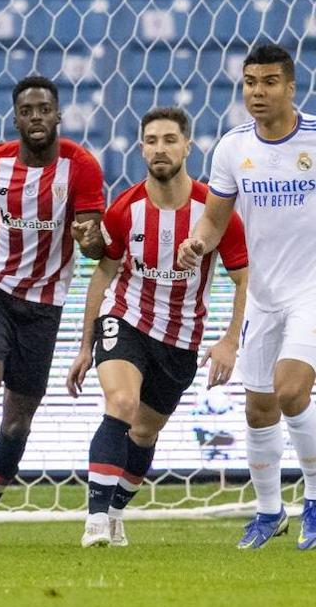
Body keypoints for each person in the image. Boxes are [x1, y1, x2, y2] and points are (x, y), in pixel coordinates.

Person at [68, 107, 248, 546]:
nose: (160, 148)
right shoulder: (125, 208)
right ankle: (94, 521)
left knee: (145, 432)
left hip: (181, 338)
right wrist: (84, 345)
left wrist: (229, 341)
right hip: (126, 319)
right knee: (122, 402)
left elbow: (244, 278)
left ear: (188, 146)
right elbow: (103, 274)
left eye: (170, 139)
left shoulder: (216, 211)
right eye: (152, 140)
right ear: (141, 147)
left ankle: (114, 512)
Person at [0, 75, 106, 546]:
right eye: (27, 110)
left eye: (44, 109)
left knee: (18, 421)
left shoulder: (82, 168)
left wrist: (89, 240)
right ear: (16, 119)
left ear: (58, 116)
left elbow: (93, 243)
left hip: (43, 306)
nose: (36, 117)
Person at [178, 43, 316, 549]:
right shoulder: (234, 148)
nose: (258, 92)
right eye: (250, 82)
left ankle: (315, 502)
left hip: (311, 290)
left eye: (270, 82)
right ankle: (268, 512)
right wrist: (197, 243)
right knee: (259, 410)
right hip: (263, 295)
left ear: (291, 87)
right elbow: (213, 220)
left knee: (290, 390)